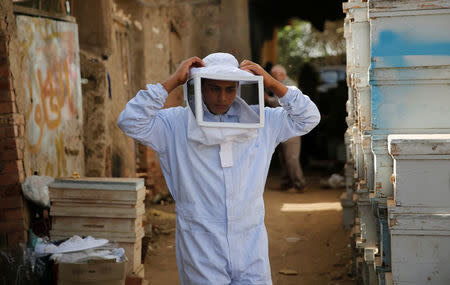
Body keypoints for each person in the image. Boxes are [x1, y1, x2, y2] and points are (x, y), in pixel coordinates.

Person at [118, 53, 320, 284]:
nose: (222, 98)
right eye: (214, 88)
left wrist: (272, 83)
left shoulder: (262, 122)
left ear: (238, 89)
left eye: (229, 89)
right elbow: (130, 120)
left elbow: (309, 117)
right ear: (200, 86)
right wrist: (174, 80)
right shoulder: (174, 124)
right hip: (201, 243)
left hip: (250, 240)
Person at [267, 64, 307, 192]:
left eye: (274, 76)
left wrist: (268, 99)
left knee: (291, 158)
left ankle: (299, 185)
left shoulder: (290, 86)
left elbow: (283, 103)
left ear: (282, 75)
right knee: (283, 157)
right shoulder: (282, 85)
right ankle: (287, 183)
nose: (272, 79)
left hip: (292, 127)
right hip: (284, 126)